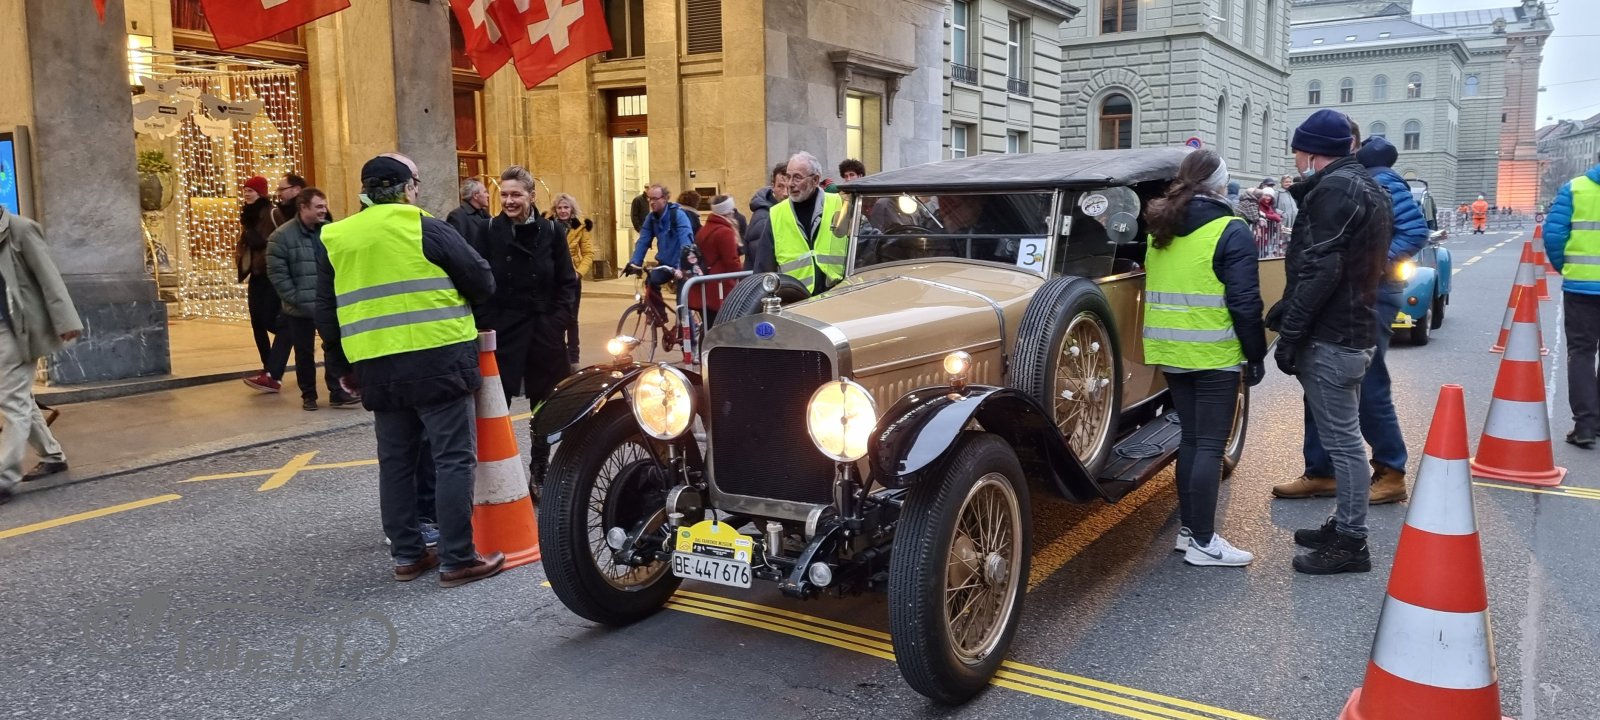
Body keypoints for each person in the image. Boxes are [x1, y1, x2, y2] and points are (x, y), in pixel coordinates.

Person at [314, 153, 502, 587]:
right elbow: (482, 281)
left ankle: (407, 555)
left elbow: (326, 310)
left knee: (395, 462)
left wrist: (341, 366)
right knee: (452, 458)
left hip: (376, 365)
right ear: (407, 189)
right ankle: (458, 558)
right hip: (438, 360)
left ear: (365, 191)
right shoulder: (426, 227)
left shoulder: (336, 237)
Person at [1270, 109, 1392, 575]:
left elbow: (1321, 268)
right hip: (1353, 328)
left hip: (1334, 336)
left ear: (1310, 151)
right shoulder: (1365, 185)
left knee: (1343, 444)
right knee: (1345, 439)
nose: (1295, 158)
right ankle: (1343, 524)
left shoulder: (1337, 189)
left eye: (1297, 150)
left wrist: (1291, 332)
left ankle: (1351, 542)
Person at [1275, 133, 1425, 508]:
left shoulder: (1378, 179)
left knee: (1366, 382)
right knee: (1320, 380)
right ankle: (1321, 471)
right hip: (1345, 292)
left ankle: (1390, 471)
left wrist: (1368, 265)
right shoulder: (1344, 179)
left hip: (1369, 292)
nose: (1300, 159)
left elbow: (1414, 231)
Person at [1141, 149, 1266, 567]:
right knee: (1210, 445)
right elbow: (1245, 302)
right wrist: (1255, 354)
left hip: (1170, 351)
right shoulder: (1231, 229)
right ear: (1220, 185)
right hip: (1214, 352)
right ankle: (1204, 542)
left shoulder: (1160, 229)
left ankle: (1190, 532)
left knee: (1192, 441)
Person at [476, 166, 578, 490]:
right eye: (504, 194)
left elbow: (567, 283)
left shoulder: (552, 232)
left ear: (532, 196)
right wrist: (487, 322)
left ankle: (539, 467)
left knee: (544, 404)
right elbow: (476, 280)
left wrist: (557, 322)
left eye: (516, 194)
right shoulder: (488, 230)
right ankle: (495, 474)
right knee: (494, 404)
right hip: (503, 331)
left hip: (542, 329)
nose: (509, 201)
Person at [0, 207, 81, 503]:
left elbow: (49, 278)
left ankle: (4, 478)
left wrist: (66, 321)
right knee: (17, 397)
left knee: (11, 400)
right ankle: (52, 456)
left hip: (15, 329)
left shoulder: (20, 230)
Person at [258, 188, 359, 410]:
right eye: (319, 206)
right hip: (299, 307)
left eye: (325, 206)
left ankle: (337, 391)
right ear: (303, 207)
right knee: (304, 353)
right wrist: (295, 298)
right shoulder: (281, 237)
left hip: (328, 304)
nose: (324, 210)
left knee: (334, 346)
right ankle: (309, 395)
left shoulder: (330, 232)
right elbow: (277, 274)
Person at [1543, 160, 1600, 449]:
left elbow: (1553, 235)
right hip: (1581, 286)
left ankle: (1585, 425)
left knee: (1581, 353)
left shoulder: (1575, 189)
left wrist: (1566, 268)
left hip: (1582, 287)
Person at [758, 151, 849, 295]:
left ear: (815, 180)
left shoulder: (840, 204)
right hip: (796, 300)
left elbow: (866, 248)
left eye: (797, 177)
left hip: (838, 295)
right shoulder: (776, 214)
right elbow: (763, 269)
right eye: (788, 177)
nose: (790, 184)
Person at [236, 175, 283, 390]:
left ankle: (285, 345)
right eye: (245, 190)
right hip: (255, 273)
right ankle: (268, 367)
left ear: (261, 192)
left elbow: (281, 238)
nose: (247, 193)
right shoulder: (247, 215)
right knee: (256, 321)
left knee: (269, 320)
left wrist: (264, 246)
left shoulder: (272, 213)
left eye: (251, 190)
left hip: (271, 272)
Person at [625, 183, 696, 296]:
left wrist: (681, 267)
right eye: (650, 199)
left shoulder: (678, 215)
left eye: (655, 198)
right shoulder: (651, 218)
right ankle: (656, 308)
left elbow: (686, 243)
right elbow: (643, 241)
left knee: (682, 298)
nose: (652, 202)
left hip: (682, 264)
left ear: (664, 199)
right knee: (651, 282)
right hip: (665, 264)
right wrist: (635, 262)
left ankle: (683, 308)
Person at [549, 192, 594, 365]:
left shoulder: (580, 227)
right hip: (553, 277)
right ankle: (558, 355)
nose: (562, 211)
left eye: (566, 207)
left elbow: (588, 253)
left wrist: (579, 272)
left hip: (572, 278)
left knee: (572, 318)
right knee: (555, 317)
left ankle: (574, 358)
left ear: (571, 209)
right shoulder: (548, 225)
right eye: (559, 207)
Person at [689, 194, 744, 326]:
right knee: (721, 327)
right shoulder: (725, 232)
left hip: (705, 288)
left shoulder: (705, 229)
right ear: (728, 212)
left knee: (709, 327)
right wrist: (745, 270)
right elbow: (732, 262)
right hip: (719, 290)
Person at [744, 163, 789, 272]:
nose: (785, 193)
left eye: (789, 187)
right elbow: (763, 262)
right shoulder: (764, 219)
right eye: (780, 186)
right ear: (772, 186)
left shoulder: (782, 212)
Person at [446, 178, 492, 253]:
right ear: (475, 196)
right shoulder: (457, 216)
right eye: (485, 192)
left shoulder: (484, 213)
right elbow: (457, 247)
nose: (488, 195)